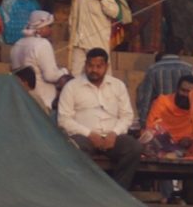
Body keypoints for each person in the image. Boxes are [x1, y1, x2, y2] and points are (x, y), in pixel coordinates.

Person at [56, 48, 141, 186]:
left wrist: (114, 133)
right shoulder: (72, 87)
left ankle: (117, 192)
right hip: (84, 137)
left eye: (98, 66)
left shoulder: (117, 86)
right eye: (90, 66)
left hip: (112, 137)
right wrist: (89, 134)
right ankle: (86, 191)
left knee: (134, 148)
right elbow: (64, 119)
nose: (94, 70)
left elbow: (127, 116)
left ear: (106, 67)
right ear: (85, 65)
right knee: (75, 147)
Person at [68, 0, 125, 78]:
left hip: (97, 42)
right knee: (75, 75)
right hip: (79, 42)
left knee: (102, 75)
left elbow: (114, 12)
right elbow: (73, 17)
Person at [9, 10, 64, 110]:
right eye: (49, 26)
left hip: (22, 102)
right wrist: (64, 72)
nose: (51, 30)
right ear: (41, 28)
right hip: (43, 102)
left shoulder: (17, 44)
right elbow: (50, 76)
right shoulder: (42, 44)